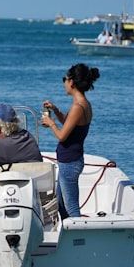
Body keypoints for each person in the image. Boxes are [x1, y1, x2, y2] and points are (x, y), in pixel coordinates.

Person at [42, 63, 100, 219]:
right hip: (70, 160)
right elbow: (69, 124)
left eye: (64, 79)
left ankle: (80, 240)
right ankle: (67, 237)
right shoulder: (82, 104)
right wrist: (55, 110)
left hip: (70, 162)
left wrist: (50, 123)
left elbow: (62, 136)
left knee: (71, 207)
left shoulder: (78, 107)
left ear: (72, 82)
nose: (64, 84)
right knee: (61, 205)